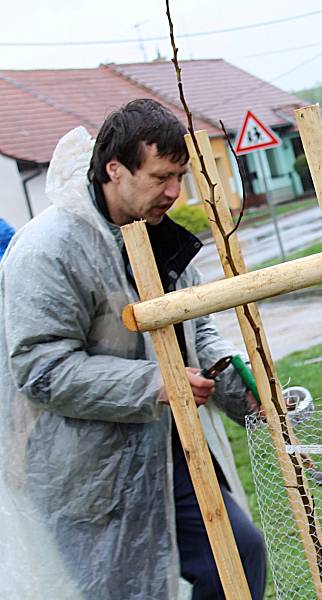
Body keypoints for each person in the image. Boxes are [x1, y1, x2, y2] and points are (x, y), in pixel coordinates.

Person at [0, 99, 266, 599]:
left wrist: (240, 386)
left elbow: (195, 329)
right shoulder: (50, 249)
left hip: (167, 448)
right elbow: (40, 368)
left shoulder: (159, 239)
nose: (174, 191)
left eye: (180, 176)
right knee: (127, 591)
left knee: (239, 553)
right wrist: (154, 383)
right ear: (113, 168)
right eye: (161, 176)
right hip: (85, 472)